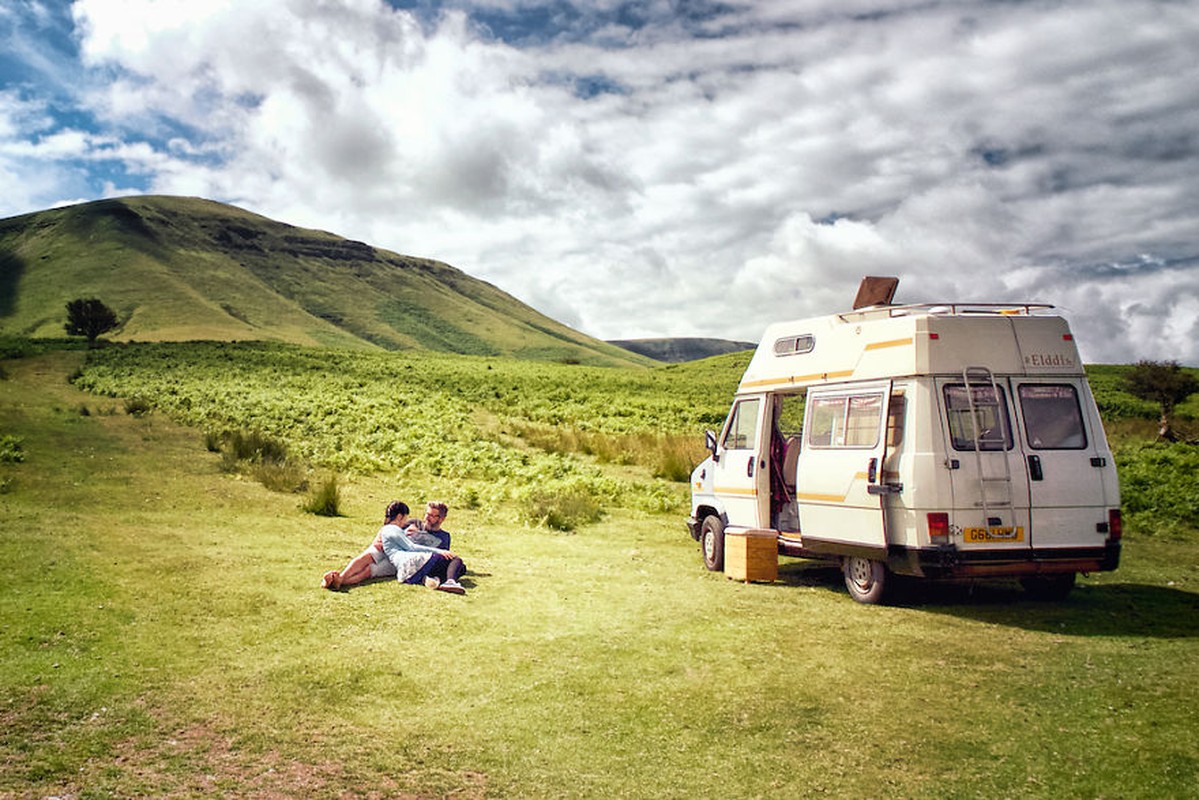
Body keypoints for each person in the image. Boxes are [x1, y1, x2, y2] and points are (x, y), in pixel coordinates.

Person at [321, 501, 466, 594]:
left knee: (369, 572)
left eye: (433, 516)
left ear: (441, 519)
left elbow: (438, 559)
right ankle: (341, 577)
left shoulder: (444, 537)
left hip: (404, 559)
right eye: (427, 514)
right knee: (370, 555)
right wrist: (405, 532)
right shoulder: (414, 523)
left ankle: (340, 581)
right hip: (395, 551)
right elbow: (392, 529)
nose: (427, 518)